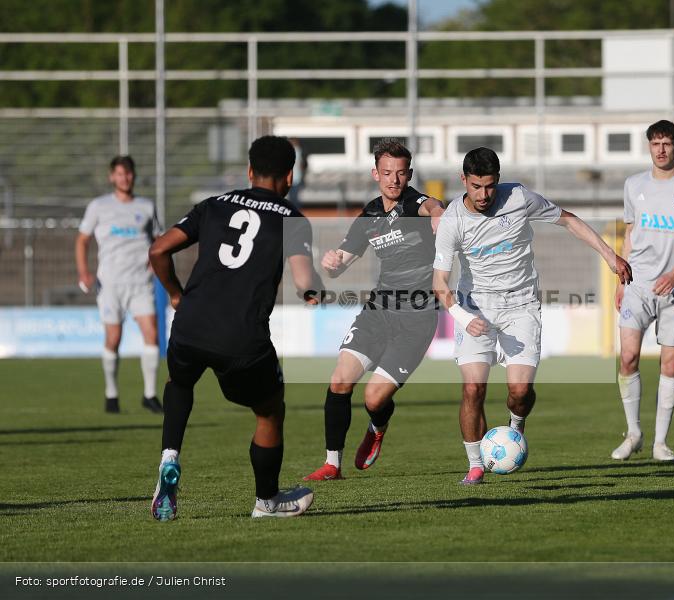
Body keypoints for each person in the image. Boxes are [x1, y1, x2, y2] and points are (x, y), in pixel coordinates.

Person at [432, 147, 632, 485]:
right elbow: (438, 282)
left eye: (490, 186)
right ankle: (475, 466)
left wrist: (610, 255)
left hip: (521, 308)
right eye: (476, 186)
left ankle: (516, 427)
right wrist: (464, 319)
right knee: (472, 390)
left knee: (520, 391)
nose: (484, 195)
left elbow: (567, 219)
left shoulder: (519, 198)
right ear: (463, 181)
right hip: (475, 310)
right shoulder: (453, 219)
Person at [147, 135, 322, 520]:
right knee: (269, 411)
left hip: (190, 324)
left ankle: (169, 458)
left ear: (249, 171)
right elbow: (303, 281)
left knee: (180, 384)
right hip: (241, 337)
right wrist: (317, 290)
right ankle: (267, 501)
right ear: (289, 176)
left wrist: (176, 295)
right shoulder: (292, 217)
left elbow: (158, 249)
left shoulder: (214, 204)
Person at [303, 139, 445, 481]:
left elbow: (433, 206)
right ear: (375, 174)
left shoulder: (416, 205)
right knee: (340, 380)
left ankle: (377, 424)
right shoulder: (369, 215)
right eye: (386, 173)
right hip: (378, 311)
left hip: (416, 317)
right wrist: (332, 262)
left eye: (400, 173)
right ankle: (331, 465)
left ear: (409, 174)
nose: (393, 180)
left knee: (373, 397)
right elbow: (341, 263)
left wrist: (440, 215)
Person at [611, 119, 674, 462]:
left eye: (667, 143)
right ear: (649, 146)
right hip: (637, 285)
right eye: (655, 143)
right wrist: (621, 280)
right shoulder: (634, 185)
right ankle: (634, 433)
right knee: (628, 357)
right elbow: (629, 232)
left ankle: (661, 443)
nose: (661, 149)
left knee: (670, 365)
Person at [75, 156, 163, 414]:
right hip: (110, 283)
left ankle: (149, 394)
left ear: (134, 176)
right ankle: (111, 394)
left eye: (129, 174)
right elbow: (82, 240)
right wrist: (84, 272)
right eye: (120, 174)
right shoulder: (98, 206)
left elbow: (159, 241)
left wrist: (154, 265)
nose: (125, 178)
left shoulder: (146, 206)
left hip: (140, 284)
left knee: (152, 335)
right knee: (113, 338)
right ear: (111, 177)